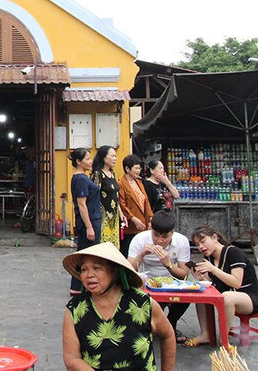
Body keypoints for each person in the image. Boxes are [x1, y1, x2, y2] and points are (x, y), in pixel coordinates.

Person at [62, 242, 176, 371]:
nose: (89, 275)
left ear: (114, 272)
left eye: (97, 268)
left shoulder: (141, 303)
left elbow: (167, 335)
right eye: (84, 269)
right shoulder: (75, 309)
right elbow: (72, 359)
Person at [183, 225, 258, 348]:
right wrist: (200, 277)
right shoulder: (209, 257)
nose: (201, 247)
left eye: (203, 241)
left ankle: (223, 339)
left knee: (228, 297)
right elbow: (212, 283)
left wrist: (213, 269)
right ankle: (205, 334)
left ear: (215, 237)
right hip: (227, 295)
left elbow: (236, 282)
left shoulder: (233, 253)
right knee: (200, 293)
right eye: (197, 244)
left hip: (250, 298)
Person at [128, 211, 192, 343]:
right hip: (146, 281)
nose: (159, 240)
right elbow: (129, 269)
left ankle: (170, 322)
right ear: (151, 228)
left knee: (189, 293)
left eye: (165, 237)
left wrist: (168, 264)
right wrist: (141, 254)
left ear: (172, 233)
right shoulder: (139, 239)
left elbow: (184, 274)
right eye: (156, 235)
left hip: (172, 281)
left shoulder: (182, 241)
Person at [69, 148, 101, 295]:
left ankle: (78, 285)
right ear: (78, 161)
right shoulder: (81, 179)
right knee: (86, 254)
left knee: (85, 252)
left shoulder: (82, 177)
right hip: (88, 221)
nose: (90, 161)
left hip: (92, 219)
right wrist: (89, 227)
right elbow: (82, 204)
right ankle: (77, 286)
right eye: (87, 159)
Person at [90, 146, 126, 248]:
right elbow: (94, 197)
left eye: (116, 156)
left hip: (114, 216)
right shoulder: (97, 174)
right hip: (103, 217)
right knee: (103, 245)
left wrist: (120, 212)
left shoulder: (112, 174)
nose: (115, 158)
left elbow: (115, 196)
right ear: (104, 157)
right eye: (112, 156)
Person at [118, 155, 153, 257]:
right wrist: (133, 218)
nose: (139, 170)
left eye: (140, 168)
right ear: (127, 169)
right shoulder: (121, 183)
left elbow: (146, 201)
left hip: (143, 222)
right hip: (130, 225)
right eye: (136, 168)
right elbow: (122, 204)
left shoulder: (138, 182)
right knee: (129, 252)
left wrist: (150, 218)